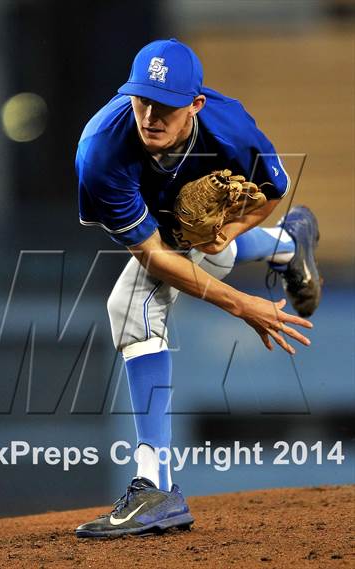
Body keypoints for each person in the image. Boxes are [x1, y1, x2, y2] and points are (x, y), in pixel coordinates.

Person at [74, 38, 321, 538]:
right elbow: (155, 257)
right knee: (146, 291)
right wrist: (242, 304)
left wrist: (224, 232)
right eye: (142, 100)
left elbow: (269, 192)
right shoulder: (101, 149)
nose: (150, 116)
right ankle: (290, 245)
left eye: (166, 106)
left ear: (195, 104)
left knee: (132, 304)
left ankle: (155, 487)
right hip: (155, 229)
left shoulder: (230, 127)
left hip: (188, 226)